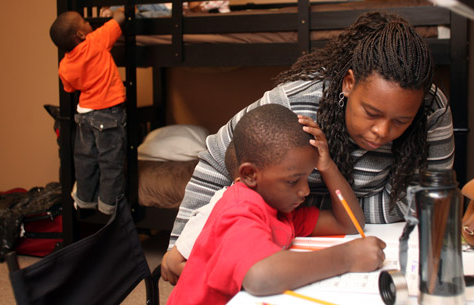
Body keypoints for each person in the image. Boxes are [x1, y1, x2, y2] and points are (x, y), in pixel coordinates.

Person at [163, 10, 455, 282]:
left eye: (401, 121)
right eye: (371, 113)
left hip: (317, 226)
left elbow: (421, 200)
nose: (381, 132)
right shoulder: (295, 104)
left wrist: (298, 207)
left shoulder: (431, 109)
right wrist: (181, 245)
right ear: (349, 83)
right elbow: (218, 158)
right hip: (284, 228)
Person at [167, 104, 386, 304]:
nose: (305, 190)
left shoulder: (280, 209)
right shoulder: (240, 209)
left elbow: (349, 223)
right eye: (293, 181)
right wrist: (347, 257)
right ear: (250, 174)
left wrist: (327, 167)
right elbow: (260, 277)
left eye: (307, 178)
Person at [49, 9, 127, 215]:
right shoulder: (95, 41)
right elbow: (119, 20)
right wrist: (117, 11)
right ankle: (109, 206)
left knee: (86, 160)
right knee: (110, 162)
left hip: (84, 114)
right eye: (84, 21)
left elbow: (69, 88)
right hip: (108, 112)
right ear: (81, 35)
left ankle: (84, 201)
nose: (88, 22)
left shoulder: (64, 65)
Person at [161, 139, 239, 285]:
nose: (297, 191)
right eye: (291, 181)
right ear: (249, 174)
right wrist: (226, 282)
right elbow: (173, 261)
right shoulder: (221, 206)